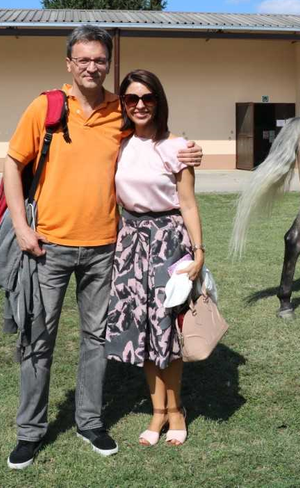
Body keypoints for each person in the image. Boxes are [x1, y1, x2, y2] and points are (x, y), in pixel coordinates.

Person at [3, 26, 202, 469]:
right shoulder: (46, 107)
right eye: (83, 59)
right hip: (47, 246)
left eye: (99, 60)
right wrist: (21, 226)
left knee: (96, 338)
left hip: (106, 249)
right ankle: (30, 432)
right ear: (69, 63)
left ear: (108, 63)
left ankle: (89, 421)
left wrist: (191, 151)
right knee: (39, 338)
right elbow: (13, 163)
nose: (92, 67)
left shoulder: (121, 111)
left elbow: (159, 141)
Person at [105, 69, 204, 447]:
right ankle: (157, 412)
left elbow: (189, 204)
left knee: (169, 332)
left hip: (169, 242)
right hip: (130, 243)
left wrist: (198, 252)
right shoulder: (119, 145)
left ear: (159, 101)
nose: (140, 105)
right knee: (144, 332)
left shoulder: (178, 146)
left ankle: (175, 411)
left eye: (148, 98)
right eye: (131, 99)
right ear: (124, 104)